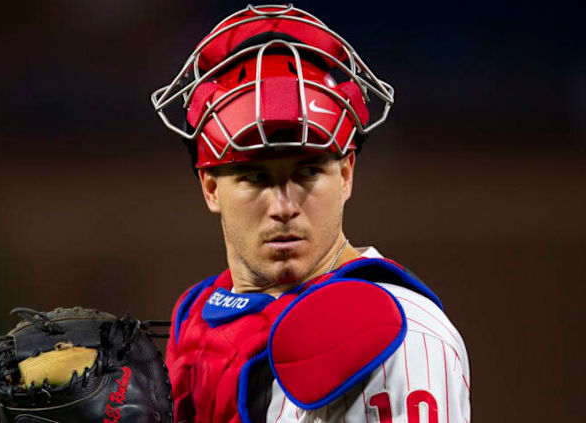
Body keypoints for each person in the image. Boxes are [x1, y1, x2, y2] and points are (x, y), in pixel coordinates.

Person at [150, 4, 470, 422]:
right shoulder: (202, 325)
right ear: (210, 187)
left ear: (346, 174)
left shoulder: (406, 336)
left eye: (307, 172)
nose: (284, 206)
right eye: (256, 178)